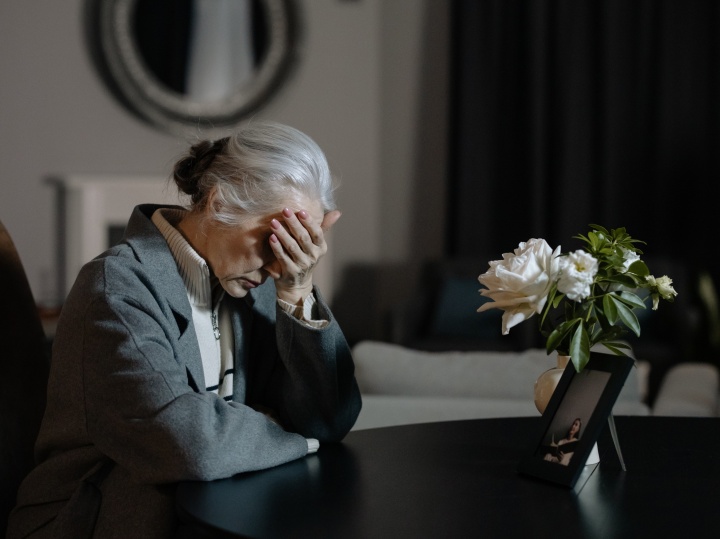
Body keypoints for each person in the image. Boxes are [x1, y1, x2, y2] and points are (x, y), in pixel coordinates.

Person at [7, 122, 362, 538]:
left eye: (295, 247)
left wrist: (298, 289)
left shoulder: (263, 285)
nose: (277, 265)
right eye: (274, 240)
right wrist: (292, 434)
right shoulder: (116, 286)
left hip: (212, 512)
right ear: (217, 202)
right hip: (88, 520)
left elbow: (329, 418)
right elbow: (189, 445)